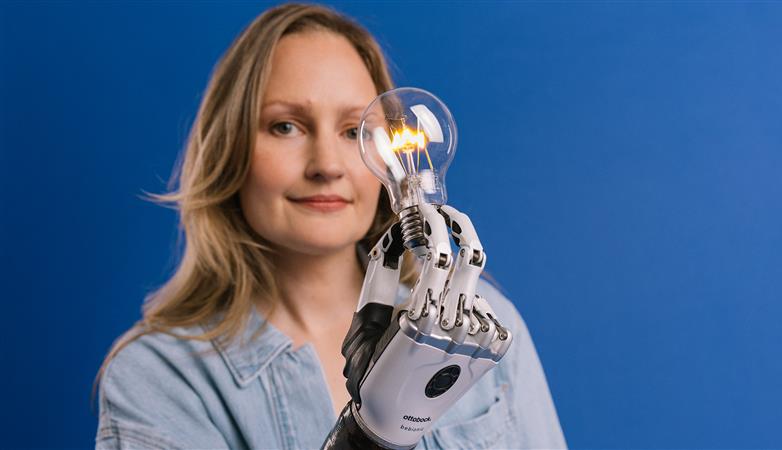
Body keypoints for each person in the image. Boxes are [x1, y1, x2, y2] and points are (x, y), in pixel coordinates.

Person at [94, 3, 567, 449]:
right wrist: (371, 437)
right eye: (286, 126)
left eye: (352, 131)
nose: (326, 165)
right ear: (230, 150)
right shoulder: (158, 379)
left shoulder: (480, 329)